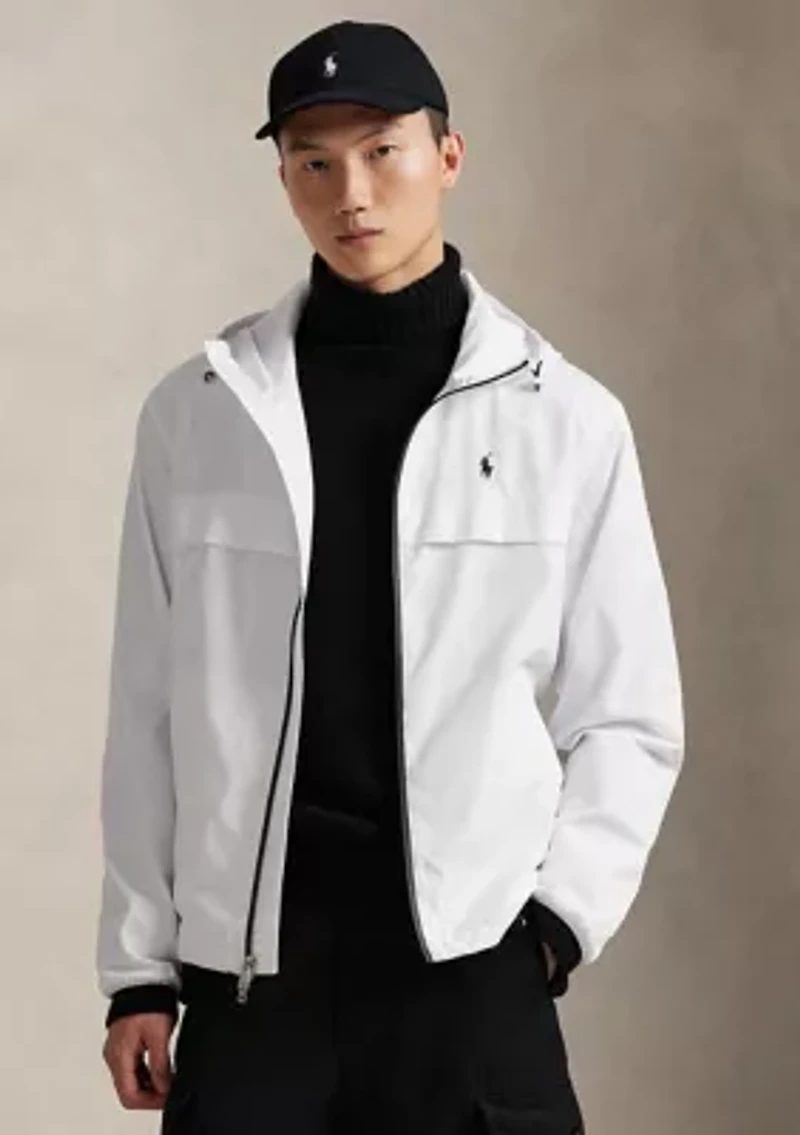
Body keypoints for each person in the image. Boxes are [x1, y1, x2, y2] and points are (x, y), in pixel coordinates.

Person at [97, 19, 684, 1135]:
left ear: (447, 157)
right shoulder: (201, 415)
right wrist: (139, 971)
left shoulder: (564, 418)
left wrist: (555, 924)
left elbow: (629, 711)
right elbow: (148, 712)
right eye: (314, 163)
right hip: (254, 976)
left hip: (468, 967)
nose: (351, 194)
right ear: (283, 178)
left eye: (381, 152)